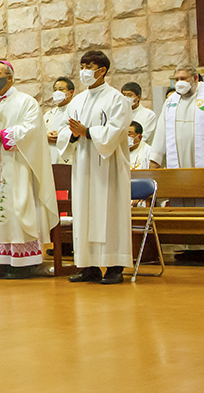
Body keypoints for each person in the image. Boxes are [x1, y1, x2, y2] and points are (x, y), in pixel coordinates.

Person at [0, 61, 58, 280]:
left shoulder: (26, 102)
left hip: (17, 167)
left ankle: (23, 264)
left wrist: (4, 134)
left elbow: (33, 131)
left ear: (9, 77)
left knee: (18, 208)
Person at [56, 51, 132, 284]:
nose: (84, 71)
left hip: (109, 167)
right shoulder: (77, 101)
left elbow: (118, 130)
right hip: (83, 166)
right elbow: (65, 130)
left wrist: (87, 132)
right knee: (83, 213)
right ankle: (88, 266)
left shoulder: (116, 99)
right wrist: (72, 135)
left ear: (102, 71)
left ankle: (115, 267)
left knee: (110, 214)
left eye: (88, 67)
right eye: (82, 66)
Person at [149, 66, 204, 262]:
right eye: (177, 79)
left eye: (184, 78)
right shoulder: (171, 101)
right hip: (179, 163)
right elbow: (161, 130)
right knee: (182, 201)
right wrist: (156, 158)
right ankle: (188, 245)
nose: (179, 82)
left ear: (195, 78)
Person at [44, 78, 76, 165]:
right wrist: (46, 137)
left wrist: (63, 136)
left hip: (69, 161)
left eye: (61, 89)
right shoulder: (48, 115)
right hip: (50, 160)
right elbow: (39, 134)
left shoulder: (77, 112)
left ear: (70, 92)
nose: (57, 92)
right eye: (55, 90)